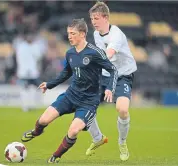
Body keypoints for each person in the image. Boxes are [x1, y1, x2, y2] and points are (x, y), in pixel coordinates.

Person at [21, 18, 118, 163]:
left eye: (73, 33)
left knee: (73, 131)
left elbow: (113, 70)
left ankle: (56, 155)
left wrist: (110, 88)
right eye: (68, 33)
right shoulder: (70, 53)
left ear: (83, 34)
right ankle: (35, 132)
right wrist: (49, 84)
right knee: (43, 120)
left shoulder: (94, 52)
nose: (69, 36)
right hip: (70, 95)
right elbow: (66, 73)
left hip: (89, 101)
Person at [85, 2, 137, 161]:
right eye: (92, 18)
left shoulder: (116, 34)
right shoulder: (95, 34)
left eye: (96, 18)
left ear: (105, 18)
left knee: (122, 109)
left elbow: (108, 53)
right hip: (106, 75)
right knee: (84, 106)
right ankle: (97, 138)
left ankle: (122, 142)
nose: (93, 21)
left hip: (123, 75)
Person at [14, 33, 43, 112]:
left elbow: (39, 57)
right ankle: (25, 106)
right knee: (24, 89)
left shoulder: (34, 46)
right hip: (23, 72)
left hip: (33, 72)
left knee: (38, 88)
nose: (30, 38)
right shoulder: (22, 46)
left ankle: (33, 104)